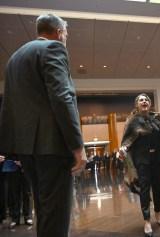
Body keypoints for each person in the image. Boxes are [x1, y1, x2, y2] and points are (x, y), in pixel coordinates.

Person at [0, 13, 86, 237]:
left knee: (44, 209)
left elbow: (8, 105)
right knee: (56, 215)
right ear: (59, 32)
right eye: (66, 33)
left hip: (26, 149)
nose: (66, 38)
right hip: (52, 147)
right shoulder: (53, 48)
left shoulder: (14, 59)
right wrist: (77, 145)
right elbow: (62, 96)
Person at [119, 93, 160, 237]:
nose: (144, 101)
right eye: (141, 100)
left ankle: (158, 214)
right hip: (141, 159)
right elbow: (126, 140)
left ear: (149, 104)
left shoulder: (157, 118)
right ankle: (147, 220)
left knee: (157, 187)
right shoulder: (132, 121)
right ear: (137, 105)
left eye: (146, 99)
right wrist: (123, 149)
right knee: (144, 188)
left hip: (157, 157)